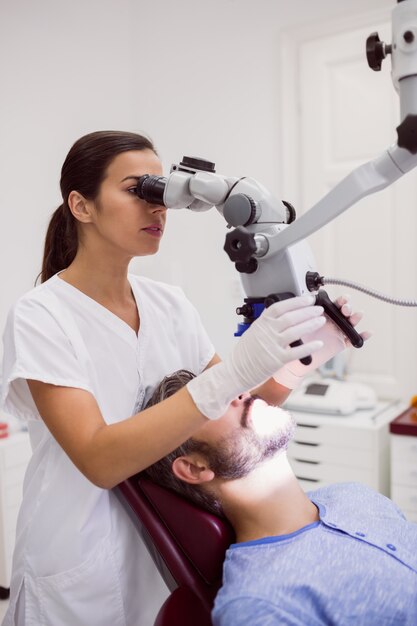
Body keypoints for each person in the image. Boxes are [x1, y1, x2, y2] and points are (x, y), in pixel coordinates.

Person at [0, 130, 333, 626]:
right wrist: (237, 370)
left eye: (161, 192)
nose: (159, 209)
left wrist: (297, 358)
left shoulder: (168, 303)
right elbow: (98, 459)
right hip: (76, 557)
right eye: (139, 189)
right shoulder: (41, 315)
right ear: (82, 205)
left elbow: (241, 408)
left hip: (165, 548)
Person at [143, 369, 417, 626]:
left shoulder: (354, 495)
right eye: (211, 402)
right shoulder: (260, 604)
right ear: (194, 467)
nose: (240, 393)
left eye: (228, 389)